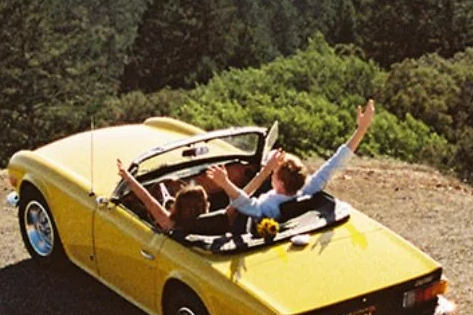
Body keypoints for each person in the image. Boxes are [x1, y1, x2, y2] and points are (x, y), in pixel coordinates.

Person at [204, 100, 376, 222]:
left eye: (275, 172)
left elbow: (244, 202)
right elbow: (334, 163)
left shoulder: (268, 207)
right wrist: (362, 129)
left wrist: (225, 183)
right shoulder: (307, 189)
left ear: (278, 182)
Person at [116, 159, 210, 234]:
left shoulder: (170, 224)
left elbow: (149, 201)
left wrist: (128, 177)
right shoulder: (210, 224)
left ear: (178, 205)